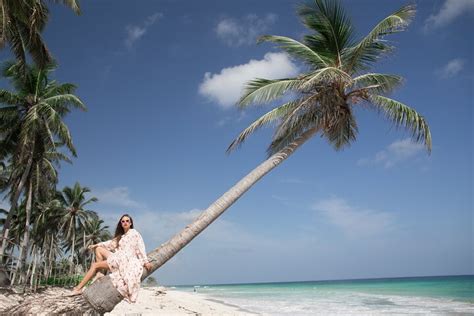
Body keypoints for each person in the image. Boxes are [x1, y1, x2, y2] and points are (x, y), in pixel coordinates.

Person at [70, 214, 153, 303]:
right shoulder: (121, 236)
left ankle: (78, 288)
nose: (125, 223)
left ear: (131, 223)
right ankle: (99, 274)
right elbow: (109, 243)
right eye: (123, 221)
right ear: (121, 224)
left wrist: (146, 261)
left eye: (127, 221)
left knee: (94, 265)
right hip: (118, 256)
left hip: (125, 260)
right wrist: (96, 244)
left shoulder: (134, 233)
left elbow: (140, 247)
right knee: (98, 249)